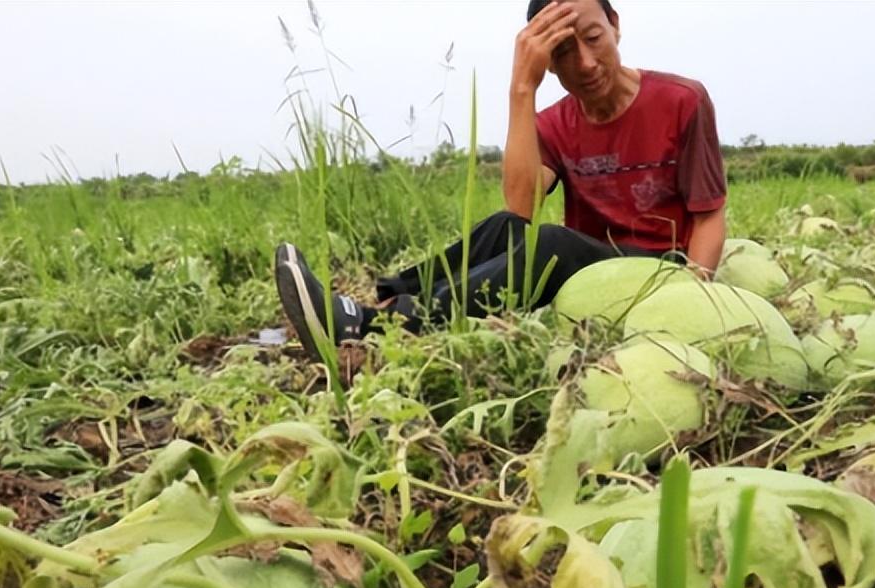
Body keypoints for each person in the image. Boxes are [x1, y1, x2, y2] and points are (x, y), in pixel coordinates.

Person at [273, 0, 727, 361]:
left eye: (593, 38)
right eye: (564, 53)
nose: (586, 63)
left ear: (615, 25)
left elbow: (708, 215)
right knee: (501, 228)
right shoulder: (553, 123)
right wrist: (521, 89)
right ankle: (385, 304)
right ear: (548, 63)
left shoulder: (681, 100)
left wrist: (693, 293)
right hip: (588, 271)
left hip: (658, 269)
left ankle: (378, 329)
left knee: (553, 243)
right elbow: (520, 207)